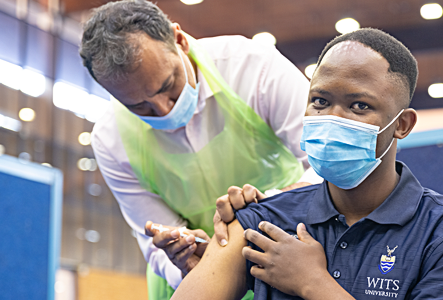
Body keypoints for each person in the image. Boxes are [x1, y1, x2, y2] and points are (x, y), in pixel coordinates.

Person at [159, 28, 443, 299]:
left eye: (359, 106)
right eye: (320, 101)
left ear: (402, 124)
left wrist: (314, 285)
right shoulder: (262, 221)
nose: (333, 118)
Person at [78, 0, 321, 298]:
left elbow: (324, 164)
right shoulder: (110, 139)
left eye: (169, 85)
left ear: (180, 40)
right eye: (139, 107)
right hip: (193, 281)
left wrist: (277, 202)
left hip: (279, 256)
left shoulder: (252, 66)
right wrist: (181, 258)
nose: (165, 110)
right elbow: (152, 238)